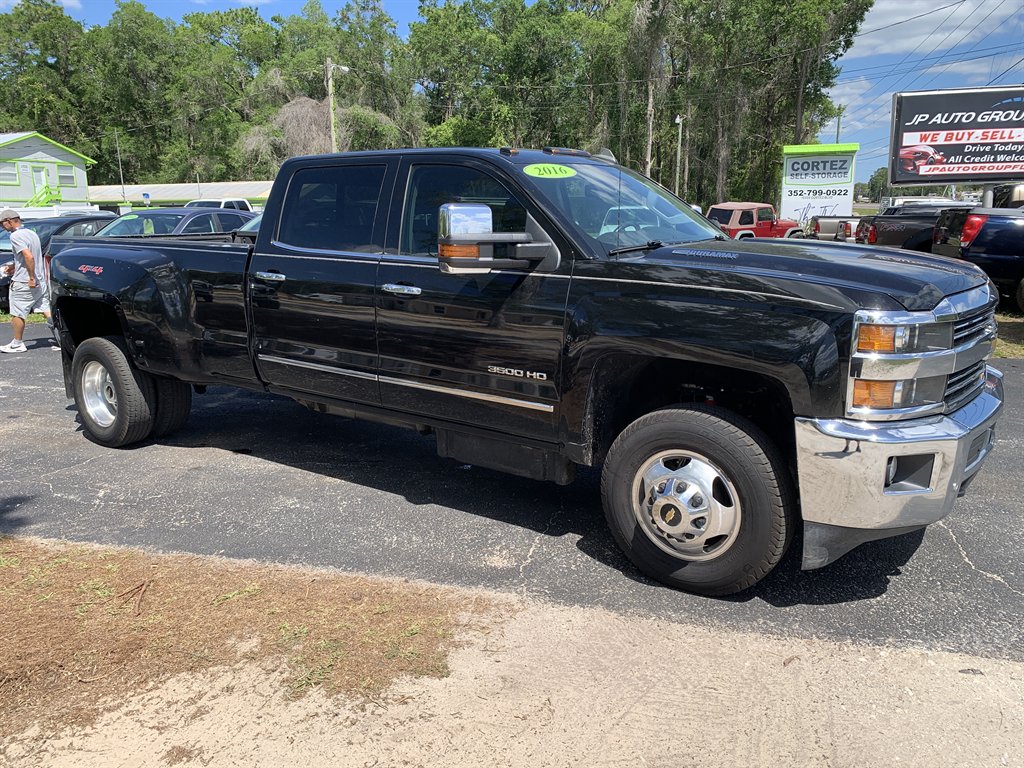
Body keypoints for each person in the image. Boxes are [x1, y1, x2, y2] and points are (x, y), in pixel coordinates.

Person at [0, 208, 58, 353]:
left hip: (24, 281)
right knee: (46, 309)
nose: (2, 227)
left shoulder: (15, 236)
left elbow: (28, 256)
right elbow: (30, 257)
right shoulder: (32, 233)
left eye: (2, 223)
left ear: (9, 221)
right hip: (40, 280)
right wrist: (14, 266)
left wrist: (31, 277)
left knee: (17, 312)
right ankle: (61, 339)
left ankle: (17, 343)